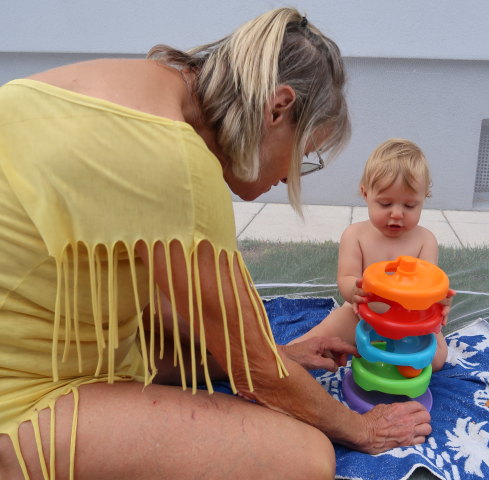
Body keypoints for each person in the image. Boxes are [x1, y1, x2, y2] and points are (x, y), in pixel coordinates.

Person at [0, 8, 433, 480]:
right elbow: (254, 369)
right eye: (302, 155)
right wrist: (361, 429)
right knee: (305, 457)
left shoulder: (135, 85)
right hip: (17, 397)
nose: (290, 175)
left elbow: (172, 304)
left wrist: (272, 356)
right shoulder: (173, 161)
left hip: (59, 329)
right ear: (277, 108)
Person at [291, 138, 454, 371]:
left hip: (408, 323)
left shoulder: (425, 240)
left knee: (437, 359)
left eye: (409, 206)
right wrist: (355, 290)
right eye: (385, 203)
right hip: (360, 316)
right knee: (316, 341)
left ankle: (399, 357)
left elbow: (428, 288)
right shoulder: (355, 235)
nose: (397, 214)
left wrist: (439, 301)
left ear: (424, 198)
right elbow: (346, 278)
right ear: (365, 193)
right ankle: (280, 363)